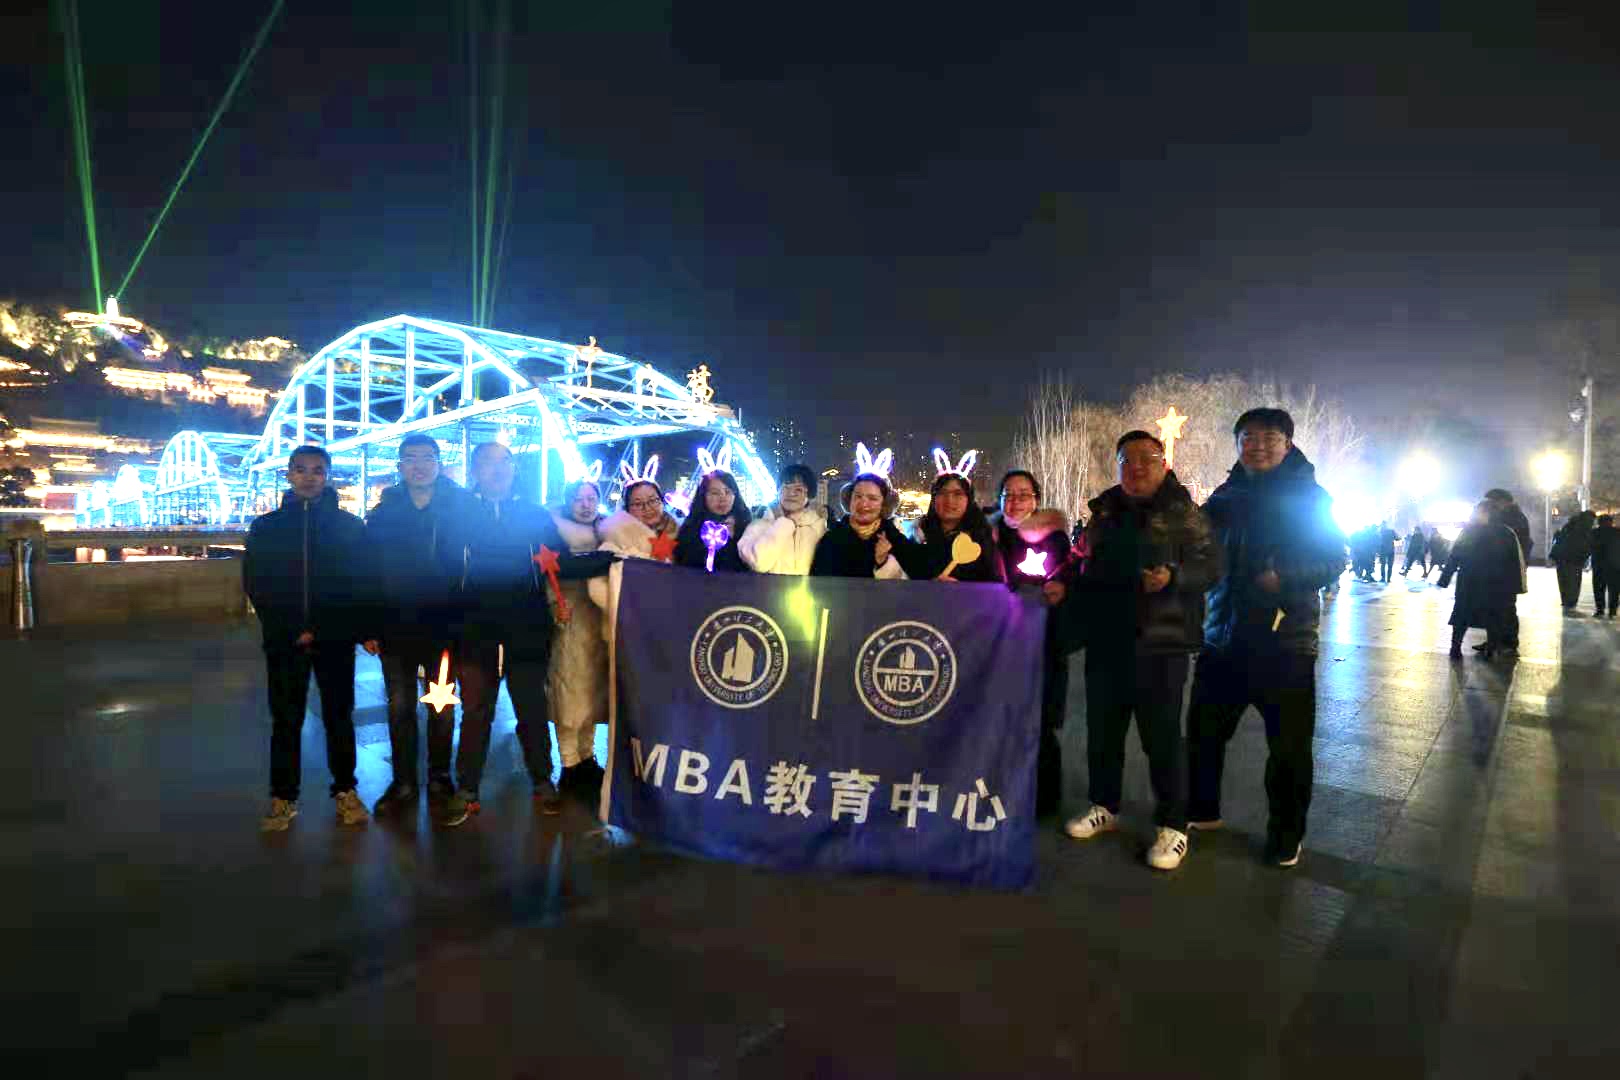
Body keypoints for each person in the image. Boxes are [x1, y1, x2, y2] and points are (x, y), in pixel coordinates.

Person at [1185, 408, 1343, 869]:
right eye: (1248, 438)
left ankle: (1285, 836)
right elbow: (1197, 546)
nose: (1257, 446)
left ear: (1287, 445)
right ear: (1237, 444)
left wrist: (1285, 576)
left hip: (1284, 643)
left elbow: (1334, 558)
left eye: (1269, 438)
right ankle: (1202, 810)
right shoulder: (1225, 495)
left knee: (1288, 749)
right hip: (1223, 637)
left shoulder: (1310, 498)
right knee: (1203, 735)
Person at [1064, 431, 1220, 871]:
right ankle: (1104, 805)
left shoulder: (1184, 513)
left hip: (1161, 644)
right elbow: (1080, 558)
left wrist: (1173, 577)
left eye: (1146, 458)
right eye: (1126, 459)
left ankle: (1173, 825)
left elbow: (1212, 565)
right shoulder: (1104, 511)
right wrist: (1065, 582)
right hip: (1107, 640)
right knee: (1103, 732)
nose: (1136, 467)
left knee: (1162, 738)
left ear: (1164, 464)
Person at [445, 445, 615, 821]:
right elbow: (443, 568)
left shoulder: (534, 515)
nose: (497, 470)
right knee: (475, 711)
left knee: (531, 709)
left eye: (504, 462)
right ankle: (467, 787)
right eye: (487, 463)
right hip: (475, 631)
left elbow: (559, 562)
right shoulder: (458, 513)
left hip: (526, 628)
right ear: (475, 470)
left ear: (514, 468)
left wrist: (611, 559)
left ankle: (541, 780)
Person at [244, 445, 371, 833]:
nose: (309, 477)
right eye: (300, 469)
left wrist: (324, 627)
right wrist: (289, 628)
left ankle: (345, 789)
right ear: (288, 475)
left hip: (334, 640)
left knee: (339, 717)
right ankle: (283, 796)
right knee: (286, 720)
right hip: (284, 641)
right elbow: (256, 584)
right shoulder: (265, 528)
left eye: (317, 470)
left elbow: (358, 585)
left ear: (327, 476)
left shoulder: (350, 527)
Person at [363, 433, 473, 824]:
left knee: (441, 706)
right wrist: (369, 624)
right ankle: (404, 782)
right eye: (411, 458)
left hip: (445, 627)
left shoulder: (462, 508)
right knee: (399, 707)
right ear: (400, 466)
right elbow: (368, 571)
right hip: (396, 627)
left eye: (427, 457)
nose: (419, 465)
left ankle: (440, 778)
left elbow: (479, 564)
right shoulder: (384, 514)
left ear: (439, 463)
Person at [990, 469, 1077, 816]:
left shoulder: (1055, 539)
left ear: (1036, 500)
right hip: (997, 643)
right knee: (997, 719)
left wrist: (1061, 588)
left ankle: (1043, 800)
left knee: (1039, 723)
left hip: (1042, 644)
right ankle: (998, 791)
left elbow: (1071, 574)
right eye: (1008, 494)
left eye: (1023, 494)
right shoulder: (988, 536)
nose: (1015, 501)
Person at [548, 477, 612, 803]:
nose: (586, 505)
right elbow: (551, 572)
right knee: (569, 692)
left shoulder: (607, 532)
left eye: (591, 498)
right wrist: (554, 607)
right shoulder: (555, 532)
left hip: (598, 618)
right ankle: (569, 762)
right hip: (570, 617)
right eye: (578, 499)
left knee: (592, 693)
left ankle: (587, 757)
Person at [897, 453, 1004, 583]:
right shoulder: (917, 536)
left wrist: (960, 589)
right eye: (942, 493)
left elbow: (995, 585)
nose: (949, 500)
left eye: (958, 494)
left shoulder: (984, 538)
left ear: (969, 499)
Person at [1437, 501, 1525, 658]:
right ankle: (1456, 647)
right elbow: (1455, 555)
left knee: (1488, 617)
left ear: (1489, 513)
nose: (1477, 515)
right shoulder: (1495, 532)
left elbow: (1514, 562)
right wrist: (1445, 577)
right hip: (1475, 582)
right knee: (1466, 615)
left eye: (1480, 512)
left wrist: (1514, 587)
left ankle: (1488, 648)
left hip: (1487, 582)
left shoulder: (1501, 532)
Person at [810, 455, 917, 579]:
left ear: (884, 504)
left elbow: (912, 581)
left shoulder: (894, 538)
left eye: (872, 498)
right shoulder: (832, 537)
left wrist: (884, 563)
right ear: (849, 499)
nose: (864, 504)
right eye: (858, 496)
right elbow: (818, 581)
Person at [738, 463, 826, 575]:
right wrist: (784, 523)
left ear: (809, 495)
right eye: (786, 488)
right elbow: (759, 563)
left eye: (799, 489)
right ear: (778, 491)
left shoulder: (817, 527)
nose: (791, 493)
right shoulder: (758, 526)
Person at [674, 469, 753, 573]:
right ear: (703, 496)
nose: (722, 498)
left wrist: (733, 539)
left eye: (728, 492)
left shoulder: (747, 528)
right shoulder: (690, 528)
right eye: (715, 493)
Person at [1484, 489, 1533, 647]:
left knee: (1506, 606)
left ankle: (1509, 642)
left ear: (1503, 501)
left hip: (1508, 569)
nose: (1491, 505)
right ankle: (1494, 640)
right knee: (1496, 605)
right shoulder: (1507, 516)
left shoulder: (1514, 518)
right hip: (1499, 567)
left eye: (1493, 502)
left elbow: (1512, 545)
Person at [1549, 509, 1596, 614]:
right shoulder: (1585, 528)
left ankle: (1565, 600)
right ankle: (1571, 601)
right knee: (1574, 581)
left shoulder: (1569, 525)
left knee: (1563, 579)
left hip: (1561, 557)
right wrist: (1585, 556)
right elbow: (1587, 544)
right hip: (1575, 559)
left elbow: (1558, 537)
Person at [1591, 514, 1620, 619]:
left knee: (1599, 588)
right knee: (1614, 589)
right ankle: (1612, 611)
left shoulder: (1594, 533)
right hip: (1614, 565)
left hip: (1599, 565)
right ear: (1611, 522)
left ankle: (1600, 610)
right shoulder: (1617, 532)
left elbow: (1590, 546)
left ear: (1599, 522)